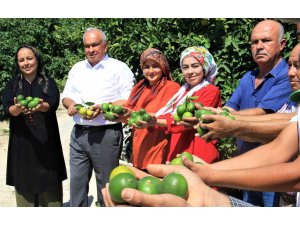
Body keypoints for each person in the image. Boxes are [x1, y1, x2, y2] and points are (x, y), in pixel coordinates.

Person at [218, 19, 291, 207]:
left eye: (266, 41)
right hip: (246, 164)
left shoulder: (287, 76)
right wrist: (211, 114)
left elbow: (262, 113)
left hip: (273, 169)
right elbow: (231, 106)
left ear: (282, 44)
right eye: (254, 42)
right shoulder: (248, 76)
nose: (259, 46)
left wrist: (221, 119)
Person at [61, 28, 135, 207]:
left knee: (106, 187)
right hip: (79, 134)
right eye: (87, 46)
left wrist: (103, 107)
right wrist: (71, 105)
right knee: (77, 184)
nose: (90, 49)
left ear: (105, 45)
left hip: (106, 134)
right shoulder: (77, 68)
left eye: (95, 44)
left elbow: (129, 99)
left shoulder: (119, 68)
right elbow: (66, 95)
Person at [2, 45, 67, 207]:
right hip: (22, 148)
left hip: (47, 148)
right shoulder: (12, 85)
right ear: (17, 64)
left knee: (51, 200)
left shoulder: (48, 83)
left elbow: (51, 104)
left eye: (29, 58)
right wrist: (18, 108)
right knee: (26, 202)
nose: (26, 63)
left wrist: (40, 106)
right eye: (21, 60)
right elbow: (8, 109)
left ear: (37, 59)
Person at [152, 46, 222, 163]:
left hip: (199, 152)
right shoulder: (182, 92)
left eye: (195, 66)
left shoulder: (211, 90)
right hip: (179, 148)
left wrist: (154, 121)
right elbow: (170, 115)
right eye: (185, 67)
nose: (190, 72)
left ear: (204, 67)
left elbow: (188, 121)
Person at [118, 48, 180, 169]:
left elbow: (167, 118)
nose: (151, 71)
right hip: (139, 147)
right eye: (146, 67)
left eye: (155, 66)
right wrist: (120, 116)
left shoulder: (172, 88)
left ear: (163, 67)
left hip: (158, 146)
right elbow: (131, 116)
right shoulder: (140, 87)